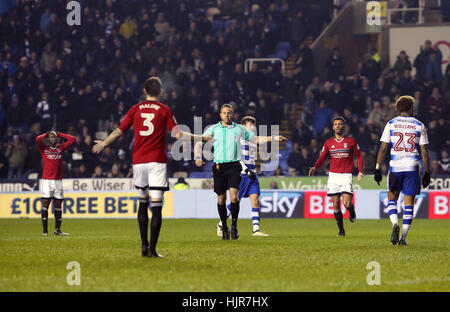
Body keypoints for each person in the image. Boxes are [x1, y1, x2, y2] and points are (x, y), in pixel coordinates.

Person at [92, 76, 202, 258]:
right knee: (157, 206)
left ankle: (144, 247)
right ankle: (152, 249)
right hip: (156, 161)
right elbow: (178, 134)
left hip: (139, 161)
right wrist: (201, 138)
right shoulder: (164, 110)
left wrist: (104, 143)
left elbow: (120, 130)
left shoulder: (135, 109)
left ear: (144, 91)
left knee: (142, 202)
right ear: (160, 92)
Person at [194, 106, 285, 240]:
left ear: (232, 114)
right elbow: (199, 141)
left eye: (229, 113)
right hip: (229, 169)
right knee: (223, 199)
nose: (226, 115)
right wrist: (197, 156)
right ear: (220, 114)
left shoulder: (241, 131)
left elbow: (256, 139)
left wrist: (273, 138)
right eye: (224, 113)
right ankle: (222, 225)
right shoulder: (215, 129)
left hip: (239, 169)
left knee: (245, 198)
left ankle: (249, 228)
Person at [216, 116, 286, 237]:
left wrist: (274, 138)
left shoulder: (251, 139)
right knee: (236, 201)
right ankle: (221, 223)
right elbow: (235, 158)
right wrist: (245, 169)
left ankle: (256, 230)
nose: (253, 127)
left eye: (254, 125)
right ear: (243, 126)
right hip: (241, 173)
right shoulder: (238, 139)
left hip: (252, 173)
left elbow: (261, 139)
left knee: (255, 199)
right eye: (250, 125)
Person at [374, 95, 430, 246]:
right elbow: (424, 151)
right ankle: (403, 238)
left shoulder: (391, 124)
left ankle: (394, 225)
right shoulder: (419, 125)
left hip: (395, 167)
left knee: (392, 199)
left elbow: (383, 148)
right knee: (409, 203)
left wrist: (378, 168)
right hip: (412, 167)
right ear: (411, 108)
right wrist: (428, 172)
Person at [308, 116, 364, 237]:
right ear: (333, 127)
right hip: (333, 176)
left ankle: (351, 211)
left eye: (340, 124)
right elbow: (322, 157)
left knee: (347, 204)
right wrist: (315, 167)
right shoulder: (328, 142)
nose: (338, 126)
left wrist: (360, 171)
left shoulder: (351, 142)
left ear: (344, 127)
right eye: (336, 124)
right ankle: (341, 231)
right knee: (336, 205)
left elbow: (359, 156)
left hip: (346, 175)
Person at [36, 130, 76, 236]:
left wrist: (59, 133)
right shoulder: (44, 149)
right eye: (50, 137)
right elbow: (37, 139)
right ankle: (45, 231)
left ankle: (57, 230)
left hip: (58, 181)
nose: (52, 138)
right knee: (45, 204)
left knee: (58, 204)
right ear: (48, 139)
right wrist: (46, 133)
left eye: (54, 137)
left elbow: (73, 139)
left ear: (57, 138)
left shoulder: (60, 148)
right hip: (47, 181)